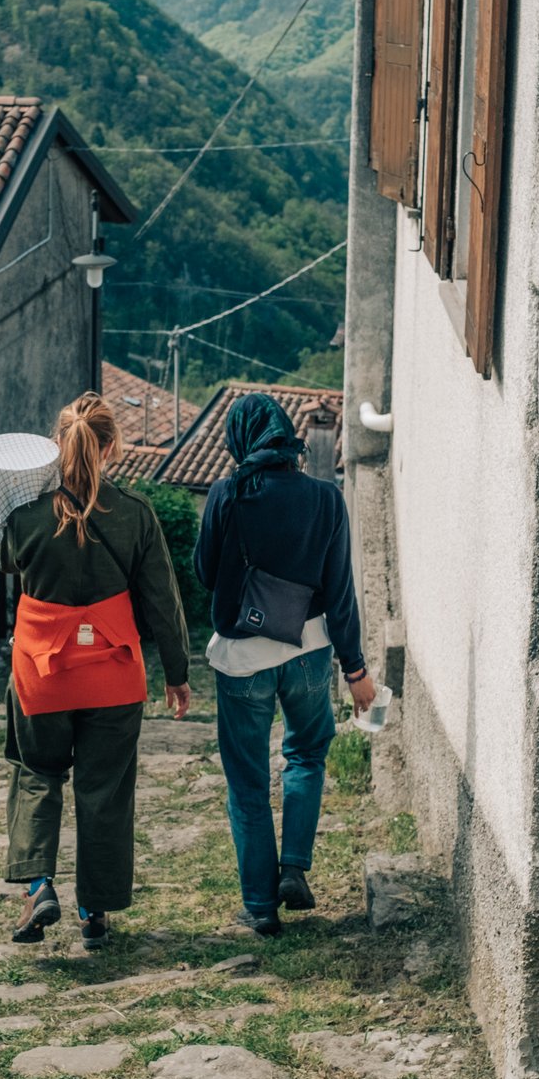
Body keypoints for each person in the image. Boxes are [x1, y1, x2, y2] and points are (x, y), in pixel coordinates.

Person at [0, 393, 191, 950]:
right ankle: (94, 911)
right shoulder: (135, 514)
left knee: (36, 772)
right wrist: (176, 673)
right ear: (113, 448)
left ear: (57, 445)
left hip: (42, 671)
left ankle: (38, 887)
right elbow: (162, 601)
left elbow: (4, 558)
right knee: (104, 790)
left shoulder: (27, 515)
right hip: (112, 675)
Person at [194, 392, 375, 936]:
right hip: (310, 654)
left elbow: (204, 573)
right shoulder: (326, 499)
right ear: (289, 438)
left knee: (247, 781)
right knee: (305, 756)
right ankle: (293, 868)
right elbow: (340, 591)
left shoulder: (228, 492)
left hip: (243, 658)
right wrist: (357, 670)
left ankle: (260, 906)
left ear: (241, 438)